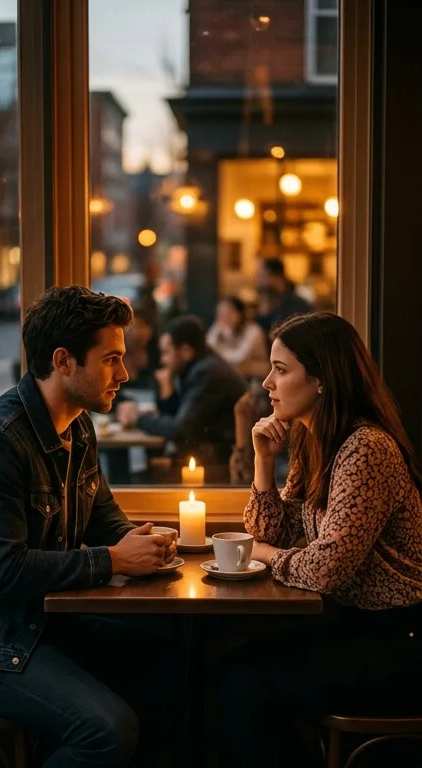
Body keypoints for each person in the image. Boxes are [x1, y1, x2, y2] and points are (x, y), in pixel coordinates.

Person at [0, 285, 176, 767]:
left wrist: (138, 540)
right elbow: (2, 573)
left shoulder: (78, 424)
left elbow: (103, 516)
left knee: (171, 663)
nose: (124, 374)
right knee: (106, 731)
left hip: (49, 624)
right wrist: (113, 560)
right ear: (63, 361)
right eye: (111, 360)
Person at [216, 312, 422, 767]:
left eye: (281, 369)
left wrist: (265, 555)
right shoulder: (315, 440)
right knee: (230, 664)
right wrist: (263, 463)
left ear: (322, 379)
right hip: (355, 626)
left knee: (243, 689)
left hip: (400, 640)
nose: (267, 382)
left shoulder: (366, 448)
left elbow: (326, 566)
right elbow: (274, 530)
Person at [117, 315, 245, 475]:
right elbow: (180, 418)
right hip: (211, 454)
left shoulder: (207, 374)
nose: (163, 360)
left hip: (218, 463)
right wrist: (167, 391)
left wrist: (137, 418)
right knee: (143, 472)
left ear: (185, 351)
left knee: (140, 477)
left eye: (166, 352)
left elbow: (181, 430)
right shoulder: (201, 367)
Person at [206, 296, 267, 378]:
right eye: (220, 315)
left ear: (239, 314)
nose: (223, 318)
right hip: (233, 376)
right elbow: (208, 349)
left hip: (256, 379)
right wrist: (217, 331)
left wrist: (219, 352)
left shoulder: (253, 330)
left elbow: (239, 358)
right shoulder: (221, 328)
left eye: (228, 313)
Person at [254, 257, 312, 335]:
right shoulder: (267, 302)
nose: (258, 280)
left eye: (262, 275)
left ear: (276, 277)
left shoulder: (297, 305)